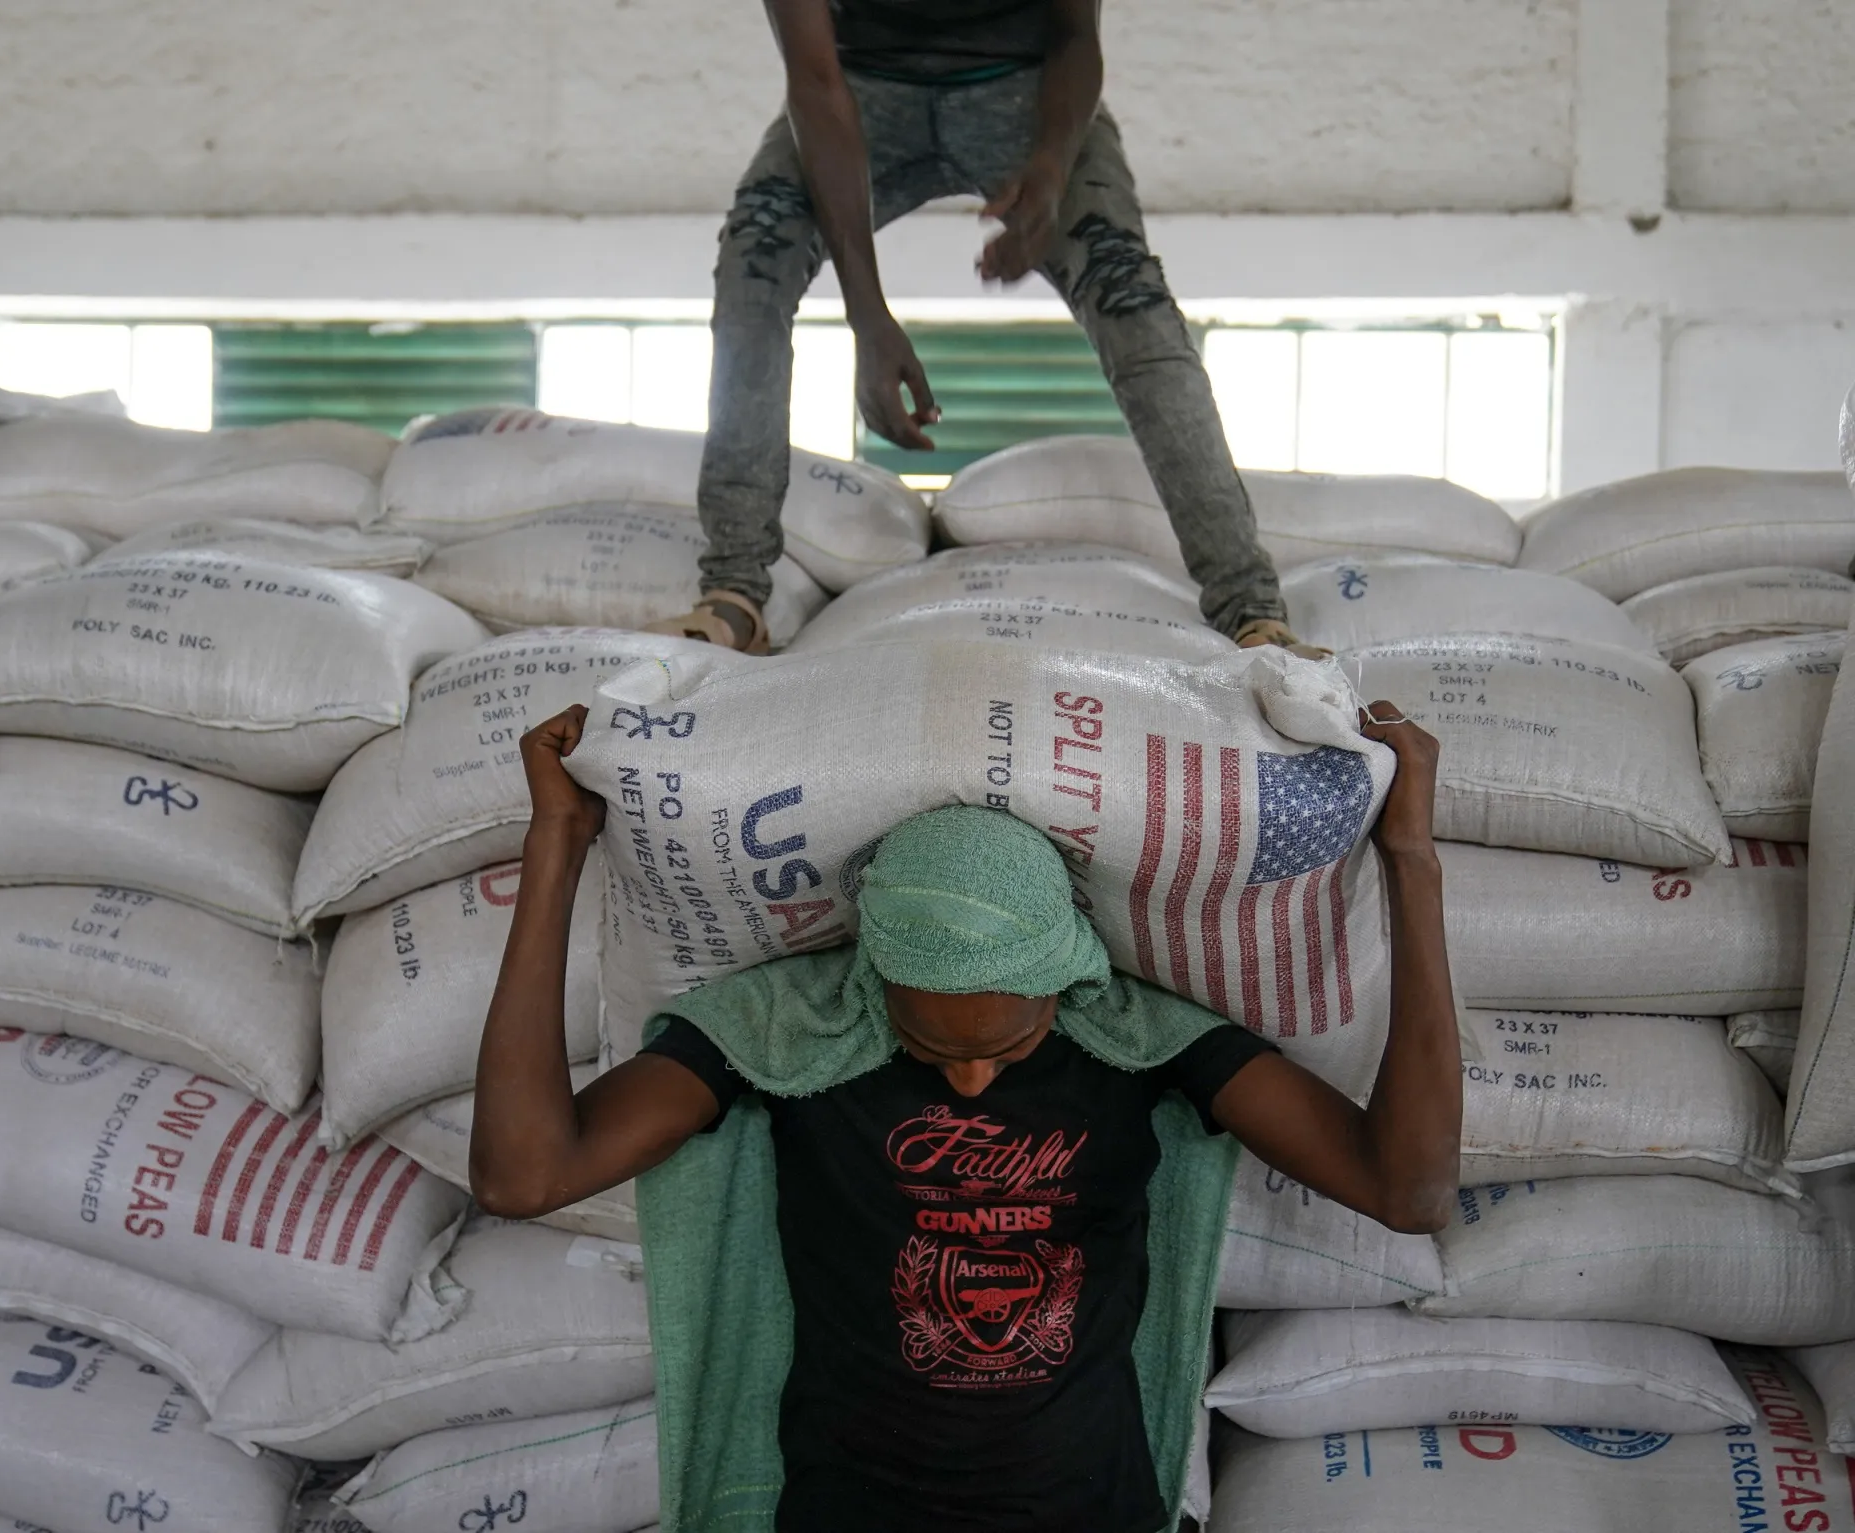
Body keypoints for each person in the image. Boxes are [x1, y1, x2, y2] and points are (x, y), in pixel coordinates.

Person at [470, 699, 1459, 1533]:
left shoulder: (1136, 1039)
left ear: (1064, 977)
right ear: (872, 978)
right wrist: (556, 843)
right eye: (934, 1047)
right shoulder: (790, 1034)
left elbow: (1404, 1188)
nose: (974, 1078)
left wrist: (1409, 859)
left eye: (1008, 1044)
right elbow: (525, 1175)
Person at [647, 0, 1325, 659]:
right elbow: (817, 83)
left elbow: (1075, 35)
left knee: (1129, 296)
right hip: (857, 89)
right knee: (752, 266)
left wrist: (1054, 172)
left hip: (1029, 89)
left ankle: (1251, 608)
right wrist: (868, 316)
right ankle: (734, 592)